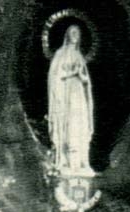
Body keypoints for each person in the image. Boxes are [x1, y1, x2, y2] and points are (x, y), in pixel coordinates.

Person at [47, 24, 95, 175]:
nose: (75, 35)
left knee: (81, 125)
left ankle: (82, 161)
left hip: (79, 95)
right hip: (66, 95)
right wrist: (71, 74)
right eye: (72, 32)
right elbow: (55, 77)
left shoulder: (80, 55)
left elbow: (86, 80)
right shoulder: (60, 54)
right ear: (67, 35)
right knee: (69, 126)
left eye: (78, 33)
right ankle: (67, 161)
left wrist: (82, 77)